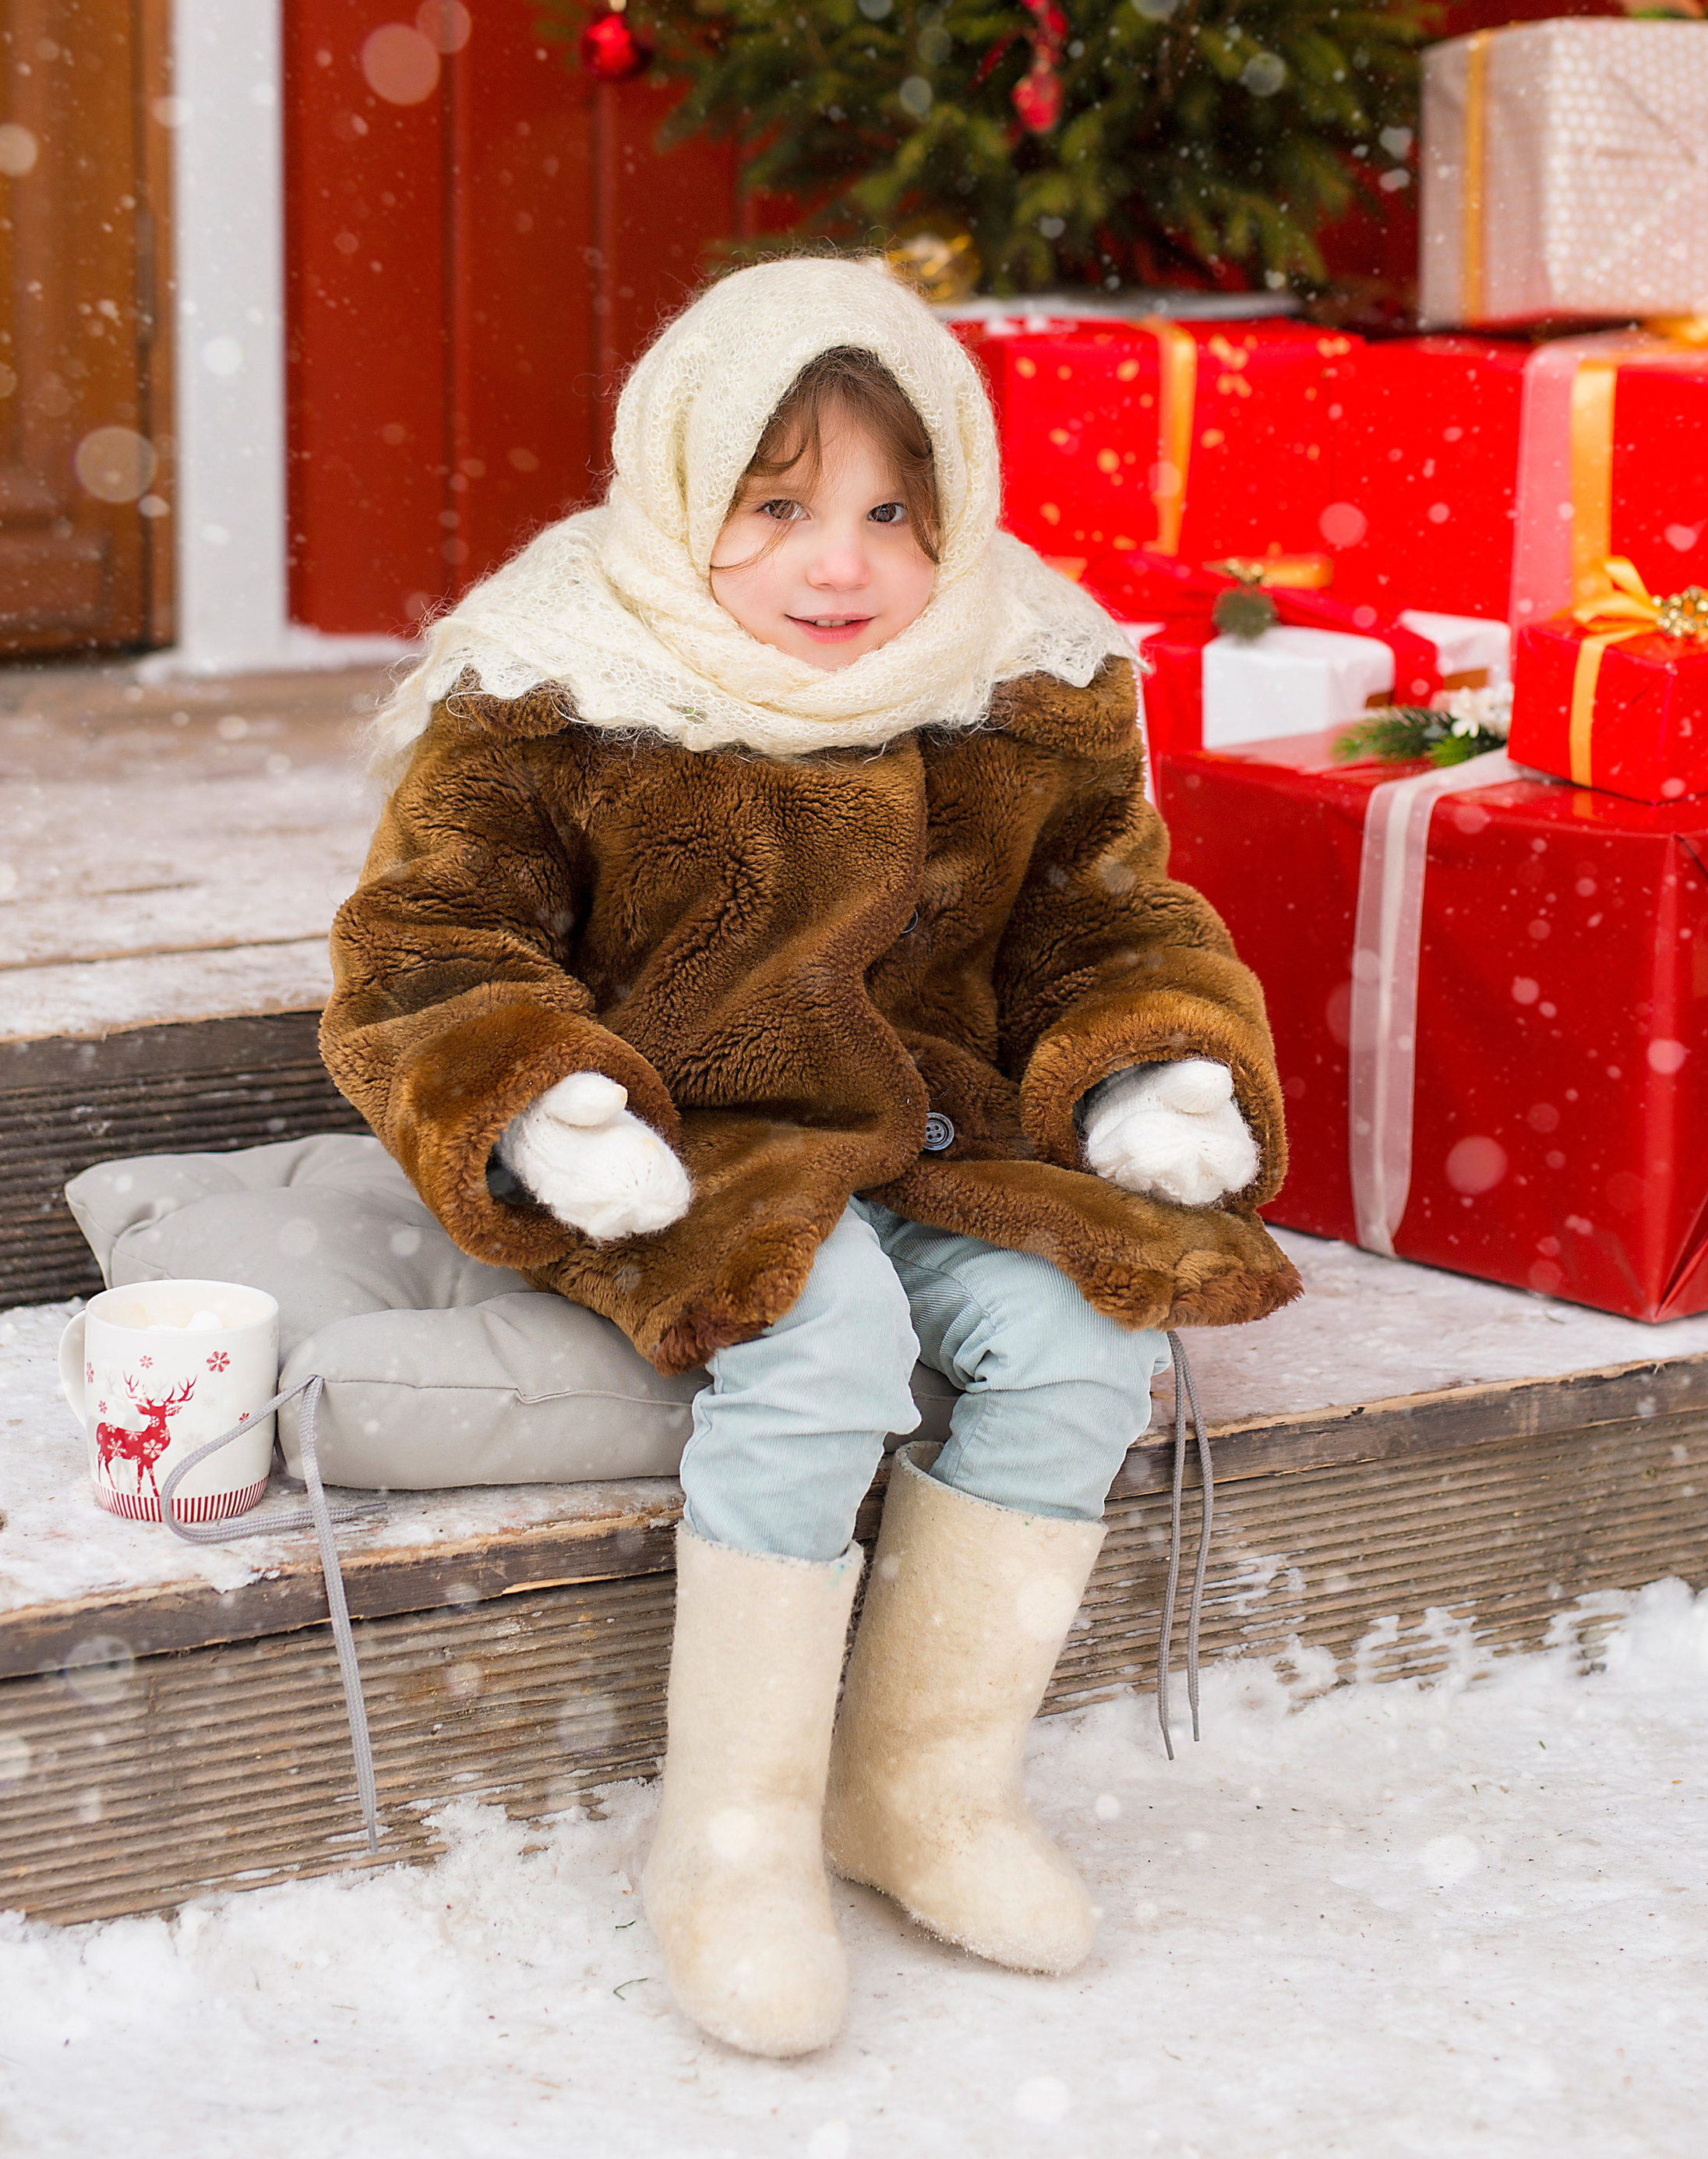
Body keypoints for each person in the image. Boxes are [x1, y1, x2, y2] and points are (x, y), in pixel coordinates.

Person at [323, 257, 1297, 2059]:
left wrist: (1143, 1075)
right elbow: (431, 945)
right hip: (678, 1147)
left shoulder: (1018, 679)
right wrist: (537, 1099)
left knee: (1087, 1341)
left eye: (886, 515)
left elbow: (1105, 922)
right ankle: (738, 1836)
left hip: (934, 1136)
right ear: (687, 492)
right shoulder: (558, 686)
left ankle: (922, 1787)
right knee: (827, 1341)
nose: (837, 566)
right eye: (775, 510)